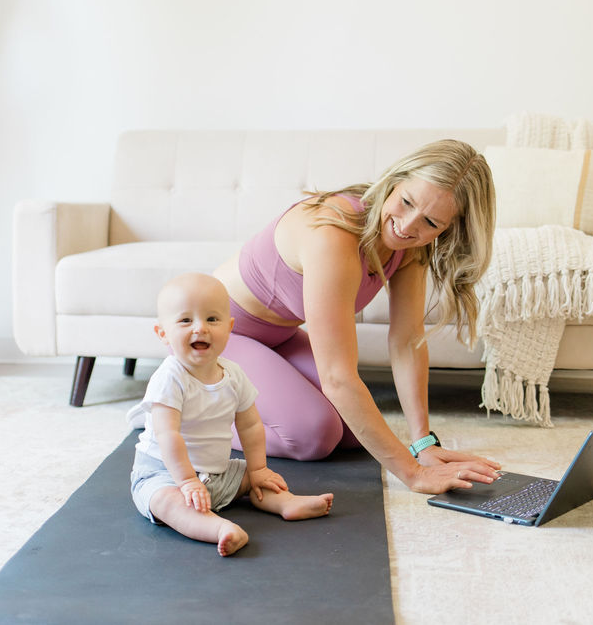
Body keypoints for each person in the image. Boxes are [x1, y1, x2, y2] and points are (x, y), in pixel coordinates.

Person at [213, 139, 503, 495]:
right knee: (315, 434)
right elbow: (337, 378)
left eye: (430, 222)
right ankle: (191, 419)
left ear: (448, 230)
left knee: (352, 433)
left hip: (279, 336)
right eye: (406, 202)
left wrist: (422, 443)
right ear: (395, 180)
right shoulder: (334, 235)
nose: (408, 226)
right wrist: (413, 473)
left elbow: (408, 340)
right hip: (218, 334)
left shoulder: (410, 248)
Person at [130, 272, 334, 557]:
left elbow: (250, 424)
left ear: (229, 327)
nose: (200, 328)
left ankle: (285, 503)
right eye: (186, 320)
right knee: (167, 503)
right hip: (164, 474)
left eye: (212, 319)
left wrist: (258, 468)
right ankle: (217, 528)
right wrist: (187, 481)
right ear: (163, 333)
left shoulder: (234, 374)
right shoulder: (169, 378)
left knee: (252, 478)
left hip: (216, 473)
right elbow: (168, 435)